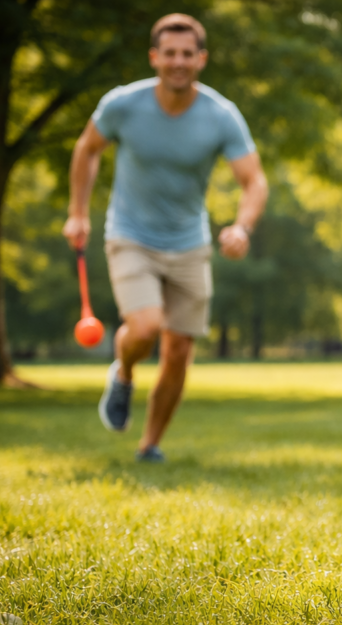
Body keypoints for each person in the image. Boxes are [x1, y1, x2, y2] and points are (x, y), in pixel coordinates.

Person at [62, 14, 268, 462]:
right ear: (155, 57)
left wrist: (241, 226)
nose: (178, 62)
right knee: (146, 326)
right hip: (129, 235)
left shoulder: (220, 115)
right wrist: (77, 212)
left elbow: (253, 180)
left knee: (178, 351)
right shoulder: (122, 105)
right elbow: (87, 149)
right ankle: (125, 370)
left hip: (189, 243)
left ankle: (150, 444)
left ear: (201, 59)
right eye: (169, 53)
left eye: (187, 54)